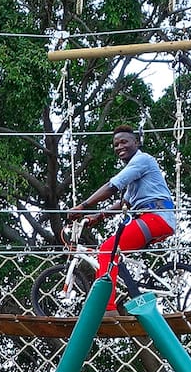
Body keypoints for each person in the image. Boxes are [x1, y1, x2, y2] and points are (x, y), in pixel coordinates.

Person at [69, 125, 177, 310]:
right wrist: (99, 216)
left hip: (155, 217)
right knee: (113, 253)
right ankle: (125, 293)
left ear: (136, 142)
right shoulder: (136, 172)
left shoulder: (142, 160)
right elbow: (123, 203)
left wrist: (84, 206)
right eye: (116, 144)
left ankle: (106, 308)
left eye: (124, 142)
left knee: (107, 250)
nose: (119, 147)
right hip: (150, 219)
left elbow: (113, 186)